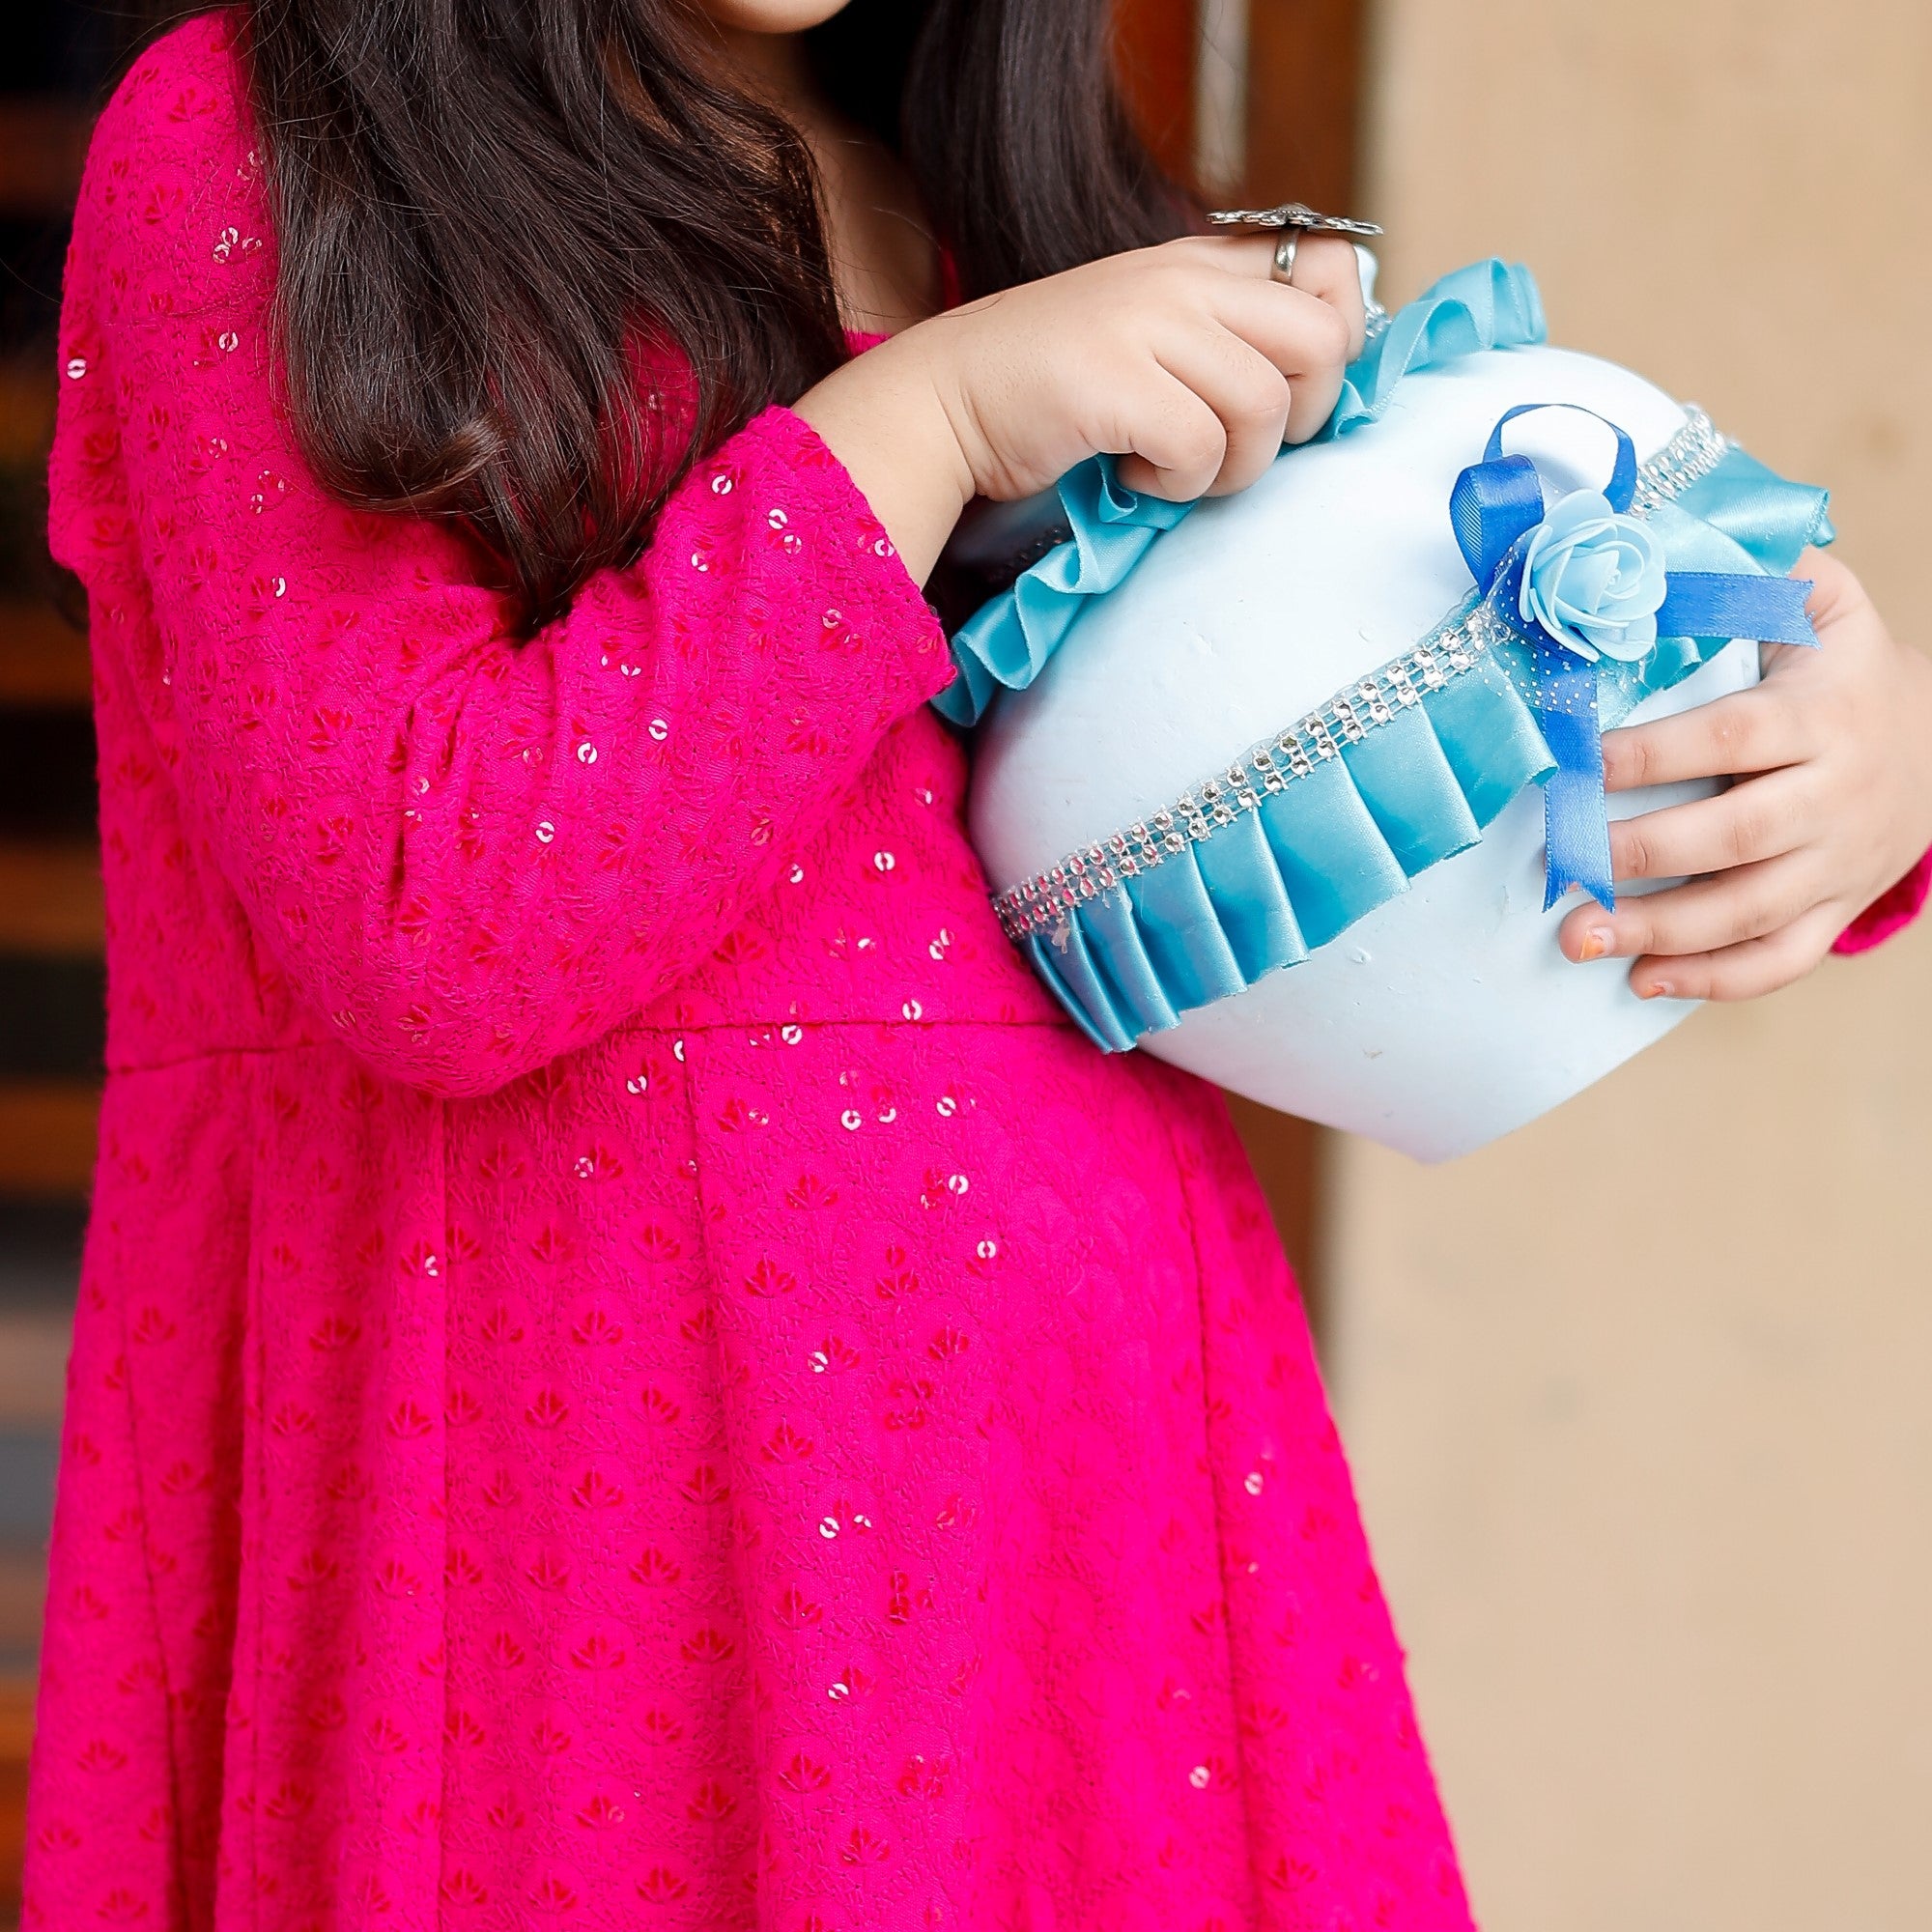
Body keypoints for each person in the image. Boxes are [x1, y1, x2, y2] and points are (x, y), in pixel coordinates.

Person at [26, 1, 1931, 1926]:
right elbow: (428, 921)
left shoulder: (1031, 201)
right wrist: (924, 422)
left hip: (1089, 1578)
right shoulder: (273, 146)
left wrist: (1820, 732)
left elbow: (1363, 760)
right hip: (570, 1587)